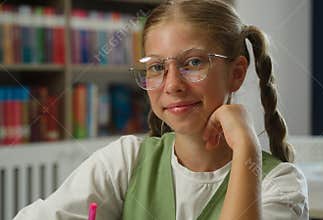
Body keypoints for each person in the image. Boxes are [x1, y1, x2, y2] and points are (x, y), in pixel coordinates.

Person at [14, 0, 308, 219]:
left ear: (236, 72)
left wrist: (246, 148)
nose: (172, 85)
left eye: (193, 63)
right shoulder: (125, 161)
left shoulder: (280, 185)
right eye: (157, 67)